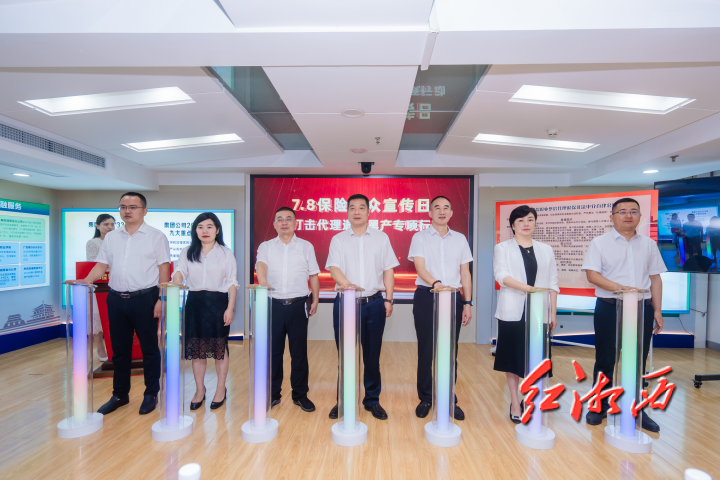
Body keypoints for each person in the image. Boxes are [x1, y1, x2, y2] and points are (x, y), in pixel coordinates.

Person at [79, 192, 170, 416]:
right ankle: (120, 394)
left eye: (132, 207)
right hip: (116, 299)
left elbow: (164, 270)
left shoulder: (156, 236)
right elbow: (101, 266)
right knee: (119, 350)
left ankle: (151, 394)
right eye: (123, 207)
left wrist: (162, 298)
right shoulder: (111, 237)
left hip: (145, 298)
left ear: (144, 210)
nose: (127, 211)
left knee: (150, 349)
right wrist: (86, 280)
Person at [581, 197, 665, 432]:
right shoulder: (599, 243)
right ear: (612, 217)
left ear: (640, 216)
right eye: (623, 211)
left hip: (642, 308)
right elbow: (592, 275)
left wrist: (658, 310)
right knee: (606, 358)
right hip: (610, 306)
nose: (628, 215)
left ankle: (637, 408)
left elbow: (655, 278)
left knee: (638, 360)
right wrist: (620, 288)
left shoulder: (648, 244)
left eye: (633, 211)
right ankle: (599, 406)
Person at [326, 194, 399, 420]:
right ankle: (344, 400)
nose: (356, 211)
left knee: (372, 356)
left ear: (369, 211)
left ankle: (372, 400)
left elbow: (388, 270)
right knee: (346, 356)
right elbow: (334, 268)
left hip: (374, 303)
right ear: (347, 212)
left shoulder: (381, 238)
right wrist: (348, 286)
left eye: (361, 208)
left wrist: (389, 299)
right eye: (352, 208)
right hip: (346, 303)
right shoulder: (338, 239)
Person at [408, 196, 473, 421]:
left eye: (446, 207)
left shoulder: (460, 239)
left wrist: (467, 303)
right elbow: (420, 267)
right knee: (426, 350)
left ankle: (447, 398)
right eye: (437, 208)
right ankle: (426, 398)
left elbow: (465, 273)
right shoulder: (420, 237)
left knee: (449, 350)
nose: (442, 211)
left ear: (452, 213)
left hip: (453, 297)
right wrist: (436, 283)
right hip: (427, 296)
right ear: (430, 213)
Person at [492, 205, 559, 424]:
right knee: (512, 359)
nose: (526, 224)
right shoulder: (503, 248)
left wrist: (553, 312)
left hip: (539, 312)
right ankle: (514, 401)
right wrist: (529, 289)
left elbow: (553, 283)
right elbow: (502, 276)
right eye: (520, 220)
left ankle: (531, 399)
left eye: (530, 219)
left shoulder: (546, 249)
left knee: (537, 359)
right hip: (513, 311)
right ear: (512, 225)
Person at [256, 207, 320, 413]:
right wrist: (263, 281)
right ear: (274, 224)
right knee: (273, 352)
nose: (284, 223)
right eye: (280, 219)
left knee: (298, 353)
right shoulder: (266, 246)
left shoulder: (306, 246)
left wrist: (315, 299)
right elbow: (261, 265)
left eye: (288, 219)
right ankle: (273, 394)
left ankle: (300, 395)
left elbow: (313, 275)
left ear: (295, 223)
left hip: (298, 304)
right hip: (273, 304)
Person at [172, 212, 238, 410]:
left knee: (219, 349)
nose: (205, 231)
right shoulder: (188, 251)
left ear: (217, 230)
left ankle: (220, 388)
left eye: (209, 227)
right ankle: (200, 390)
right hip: (195, 304)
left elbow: (232, 282)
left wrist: (230, 308)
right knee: (197, 350)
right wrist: (177, 280)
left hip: (218, 304)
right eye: (200, 227)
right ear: (195, 231)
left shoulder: (226, 253)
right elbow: (180, 271)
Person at [86, 213, 115, 362]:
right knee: (97, 316)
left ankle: (113, 347)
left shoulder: (117, 241)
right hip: (99, 285)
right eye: (106, 224)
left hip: (115, 285)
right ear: (98, 226)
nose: (110, 227)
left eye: (112, 224)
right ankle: (100, 348)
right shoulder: (93, 243)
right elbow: (94, 263)